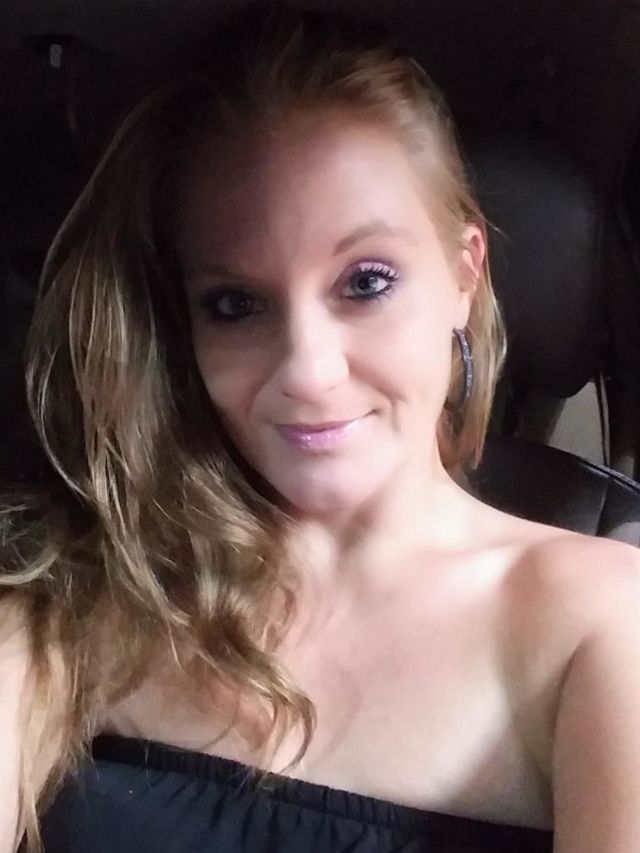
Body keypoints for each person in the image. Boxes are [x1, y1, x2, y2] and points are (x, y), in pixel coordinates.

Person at [1, 3, 640, 851]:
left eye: (365, 282)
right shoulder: (73, 594)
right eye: (235, 304)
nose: (306, 370)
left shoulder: (601, 619)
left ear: (464, 273)